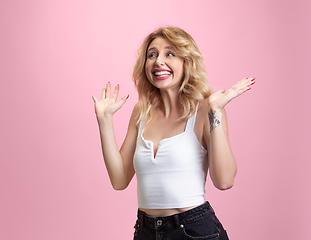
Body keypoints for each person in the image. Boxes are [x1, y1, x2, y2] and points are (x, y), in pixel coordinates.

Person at [92, 26, 255, 240]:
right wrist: (105, 122)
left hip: (193, 230)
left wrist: (215, 112)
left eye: (170, 53)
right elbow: (119, 180)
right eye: (152, 55)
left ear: (186, 62)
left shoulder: (207, 108)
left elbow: (224, 181)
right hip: (145, 230)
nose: (158, 61)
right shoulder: (142, 111)